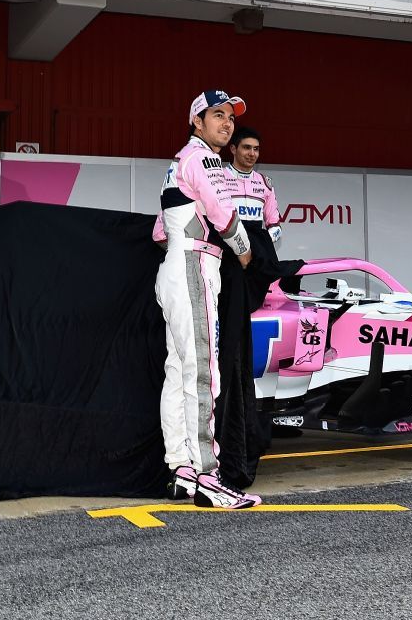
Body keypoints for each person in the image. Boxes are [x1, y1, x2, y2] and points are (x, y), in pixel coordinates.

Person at [152, 89, 262, 509]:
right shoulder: (203, 158)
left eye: (231, 117)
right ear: (197, 121)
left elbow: (159, 233)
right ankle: (207, 476)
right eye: (218, 115)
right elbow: (220, 211)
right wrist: (244, 247)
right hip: (195, 268)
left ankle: (180, 468)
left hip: (176, 268)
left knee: (178, 371)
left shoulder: (178, 161)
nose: (227, 123)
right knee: (201, 373)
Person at [225, 126, 284, 245]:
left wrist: (261, 243)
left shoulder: (265, 183)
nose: (252, 154)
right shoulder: (217, 178)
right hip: (225, 249)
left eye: (256, 149)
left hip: (255, 252)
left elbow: (276, 227)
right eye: (247, 147)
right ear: (233, 149)